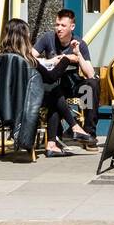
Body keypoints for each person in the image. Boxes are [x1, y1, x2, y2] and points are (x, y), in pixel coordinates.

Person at [0, 18, 94, 156]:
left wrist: (49, 61)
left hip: (5, 103)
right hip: (24, 104)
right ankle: (72, 130)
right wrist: (66, 60)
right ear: (23, 37)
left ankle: (55, 142)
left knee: (52, 92)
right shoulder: (25, 58)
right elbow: (51, 77)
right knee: (54, 89)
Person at [34, 9, 99, 146]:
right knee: (55, 91)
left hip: (74, 85)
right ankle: (57, 136)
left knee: (91, 86)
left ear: (72, 27)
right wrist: (51, 62)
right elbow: (31, 57)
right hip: (55, 85)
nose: (59, 29)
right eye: (57, 25)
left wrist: (77, 55)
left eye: (63, 25)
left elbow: (90, 74)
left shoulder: (79, 43)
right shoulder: (48, 38)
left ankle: (89, 134)